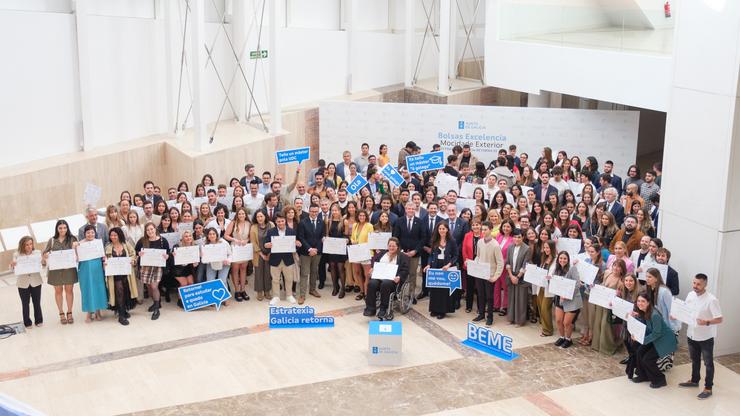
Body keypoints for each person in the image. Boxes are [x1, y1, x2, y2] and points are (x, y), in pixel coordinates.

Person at [675, 273, 723, 399]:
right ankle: (694, 380)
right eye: (694, 283)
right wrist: (676, 315)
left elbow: (719, 319)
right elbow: (685, 311)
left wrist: (706, 322)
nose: (695, 286)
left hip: (705, 337)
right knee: (694, 359)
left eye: (698, 284)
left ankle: (708, 387)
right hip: (691, 334)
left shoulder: (712, 300)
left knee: (708, 363)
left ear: (705, 285)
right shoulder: (690, 295)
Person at [631, 291, 677, 389]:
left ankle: (660, 380)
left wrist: (641, 340)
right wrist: (637, 317)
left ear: (648, 302)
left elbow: (656, 333)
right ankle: (643, 375)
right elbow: (646, 326)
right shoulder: (645, 311)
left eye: (643, 301)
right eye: (638, 301)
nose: (640, 303)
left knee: (648, 359)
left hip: (664, 341)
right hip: (656, 338)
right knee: (639, 351)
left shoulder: (654, 315)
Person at [42, 220, 79, 325]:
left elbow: (78, 252)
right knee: (58, 291)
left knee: (69, 291)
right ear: (57, 229)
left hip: (69, 270)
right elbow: (44, 252)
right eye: (60, 228)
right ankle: (61, 313)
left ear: (67, 228)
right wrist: (46, 255)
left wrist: (76, 248)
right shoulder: (52, 240)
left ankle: (70, 312)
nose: (63, 230)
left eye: (64, 228)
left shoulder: (72, 239)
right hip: (55, 271)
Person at [365, 238, 410, 320]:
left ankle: (383, 308)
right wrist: (372, 269)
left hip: (392, 280)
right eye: (390, 246)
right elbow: (374, 262)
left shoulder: (402, 256)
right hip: (379, 278)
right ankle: (370, 308)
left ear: (397, 247)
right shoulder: (382, 254)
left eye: (393, 246)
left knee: (385, 284)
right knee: (371, 283)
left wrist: (399, 277)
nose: (391, 248)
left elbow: (405, 270)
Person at [135, 223, 170, 320]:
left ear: (155, 229)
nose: (150, 231)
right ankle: (156, 303)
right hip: (145, 267)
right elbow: (136, 251)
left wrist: (167, 256)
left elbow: (168, 253)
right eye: (148, 230)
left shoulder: (163, 240)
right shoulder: (142, 241)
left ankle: (157, 309)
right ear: (145, 232)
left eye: (152, 229)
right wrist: (139, 253)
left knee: (154, 286)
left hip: (157, 267)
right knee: (149, 286)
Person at [472, 222, 504, 326]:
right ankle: (481, 314)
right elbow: (478, 256)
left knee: (489, 297)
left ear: (490, 230)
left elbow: (500, 263)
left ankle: (490, 317)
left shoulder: (495, 245)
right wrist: (474, 265)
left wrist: (495, 277)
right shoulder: (480, 242)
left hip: (490, 275)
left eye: (485, 229)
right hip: (480, 273)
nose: (483, 232)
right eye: (482, 230)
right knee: (480, 295)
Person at [264, 214, 301, 305]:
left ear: (285, 221)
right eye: (278, 221)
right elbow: (265, 244)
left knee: (289, 278)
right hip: (275, 259)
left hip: (288, 259)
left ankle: (289, 295)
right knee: (275, 279)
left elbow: (296, 246)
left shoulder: (292, 231)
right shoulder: (270, 232)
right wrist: (266, 245)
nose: (280, 223)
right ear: (276, 222)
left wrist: (297, 244)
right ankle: (276, 296)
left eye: (282, 221)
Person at [424, 221, 458, 319]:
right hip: (435, 265)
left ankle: (442, 311)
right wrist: (428, 265)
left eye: (443, 228)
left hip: (446, 266)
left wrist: (449, 264)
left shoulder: (452, 241)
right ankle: (434, 309)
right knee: (435, 289)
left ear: (447, 229)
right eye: (440, 229)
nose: (441, 230)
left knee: (444, 290)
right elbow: (431, 255)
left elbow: (456, 255)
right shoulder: (434, 240)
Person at [105, 228, 138, 325]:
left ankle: (123, 310)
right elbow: (105, 259)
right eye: (111, 235)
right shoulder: (108, 247)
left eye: (115, 235)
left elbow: (133, 254)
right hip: (115, 275)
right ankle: (121, 316)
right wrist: (105, 263)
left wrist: (133, 260)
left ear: (119, 235)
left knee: (126, 291)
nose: (113, 237)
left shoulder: (126, 244)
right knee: (119, 291)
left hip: (126, 274)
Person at [392, 202, 424, 305]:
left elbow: (423, 239)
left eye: (412, 209)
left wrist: (415, 251)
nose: (410, 210)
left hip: (414, 254)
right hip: (401, 254)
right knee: (401, 273)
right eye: (408, 209)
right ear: (405, 209)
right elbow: (395, 237)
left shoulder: (420, 222)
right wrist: (400, 251)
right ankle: (399, 293)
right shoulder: (399, 221)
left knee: (413, 274)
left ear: (415, 210)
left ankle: (411, 295)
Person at [77, 224, 109, 323]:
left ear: (95, 233)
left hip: (97, 268)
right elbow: (76, 257)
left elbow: (103, 256)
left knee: (98, 288)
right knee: (87, 289)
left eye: (92, 232)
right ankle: (89, 312)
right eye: (88, 232)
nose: (90, 234)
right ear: (84, 234)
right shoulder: (80, 244)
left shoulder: (98, 243)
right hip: (85, 269)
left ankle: (98, 312)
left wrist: (105, 260)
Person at [11, 236, 43, 328]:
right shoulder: (17, 255)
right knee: (25, 303)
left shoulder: (37, 253)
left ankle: (39, 320)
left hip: (36, 281)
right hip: (22, 282)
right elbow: (13, 269)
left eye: (30, 244)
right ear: (22, 245)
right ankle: (27, 322)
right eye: (26, 245)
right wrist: (12, 265)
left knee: (37, 302)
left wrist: (43, 261)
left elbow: (42, 266)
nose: (29, 246)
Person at [552, 251, 581, 348]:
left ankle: (568, 339)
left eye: (565, 258)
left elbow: (577, 284)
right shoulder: (556, 269)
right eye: (561, 258)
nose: (562, 260)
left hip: (571, 300)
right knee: (559, 320)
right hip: (559, 299)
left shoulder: (572, 269)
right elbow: (554, 282)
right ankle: (562, 337)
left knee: (567, 322)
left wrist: (567, 294)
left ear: (568, 260)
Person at [297, 204, 325, 304]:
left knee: (314, 271)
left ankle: (312, 289)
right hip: (306, 252)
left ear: (318, 212)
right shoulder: (303, 223)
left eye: (316, 212)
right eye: (312, 211)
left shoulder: (321, 222)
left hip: (317, 252)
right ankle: (302, 295)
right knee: (304, 273)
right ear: (309, 211)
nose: (314, 213)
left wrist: (316, 249)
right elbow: (301, 238)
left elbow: (321, 237)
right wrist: (309, 249)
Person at [225, 207, 251, 302]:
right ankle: (237, 291)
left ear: (245, 215)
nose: (241, 215)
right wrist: (234, 239)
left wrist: (246, 240)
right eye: (239, 214)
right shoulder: (233, 223)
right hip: (235, 248)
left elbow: (250, 236)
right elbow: (226, 235)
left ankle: (243, 290)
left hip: (244, 248)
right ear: (237, 214)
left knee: (243, 269)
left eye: (243, 214)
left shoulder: (249, 223)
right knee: (235, 270)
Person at [505, 229, 530, 326]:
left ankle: (520, 321)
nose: (517, 239)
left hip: (521, 277)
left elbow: (525, 265)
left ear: (523, 237)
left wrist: (517, 277)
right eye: (515, 237)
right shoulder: (510, 247)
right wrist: (511, 276)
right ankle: (511, 318)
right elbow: (507, 263)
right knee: (511, 298)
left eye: (519, 237)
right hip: (511, 275)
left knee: (520, 299)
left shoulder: (527, 249)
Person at [203, 227, 233, 306]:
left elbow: (230, 253)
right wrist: (203, 256)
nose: (212, 235)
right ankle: (212, 298)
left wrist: (228, 260)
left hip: (224, 263)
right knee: (210, 280)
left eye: (213, 234)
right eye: (210, 234)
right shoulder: (206, 244)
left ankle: (226, 297)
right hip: (211, 263)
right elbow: (204, 258)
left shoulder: (223, 242)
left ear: (216, 234)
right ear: (207, 236)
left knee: (222, 280)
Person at [350, 210, 374, 300]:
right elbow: (352, 237)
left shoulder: (369, 226)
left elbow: (371, 239)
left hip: (365, 252)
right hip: (356, 251)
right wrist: (352, 241)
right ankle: (361, 292)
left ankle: (367, 293)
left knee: (367, 274)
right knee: (357, 272)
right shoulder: (355, 225)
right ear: (358, 216)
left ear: (366, 216)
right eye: (360, 215)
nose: (362, 217)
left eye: (364, 215)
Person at [325, 203, 348, 297]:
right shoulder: (328, 221)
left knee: (340, 268)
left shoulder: (344, 221)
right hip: (331, 247)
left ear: (339, 211)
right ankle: (335, 287)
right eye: (333, 210)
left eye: (336, 210)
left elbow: (346, 235)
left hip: (340, 247)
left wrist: (346, 239)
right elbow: (327, 234)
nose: (334, 212)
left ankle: (343, 288)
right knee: (332, 266)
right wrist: (325, 238)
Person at [250, 210, 274, 301]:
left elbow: (274, 238)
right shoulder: (253, 227)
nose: (260, 218)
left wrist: (269, 253)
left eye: (261, 216)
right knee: (259, 273)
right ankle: (259, 292)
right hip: (258, 253)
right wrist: (262, 254)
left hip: (270, 253)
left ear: (265, 216)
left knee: (268, 273)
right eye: (258, 217)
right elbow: (253, 242)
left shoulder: (271, 225)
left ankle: (267, 291)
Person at [536, 240, 557, 336]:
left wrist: (551, 277)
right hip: (541, 286)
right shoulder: (544, 258)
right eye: (544, 247)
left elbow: (557, 274)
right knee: (541, 307)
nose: (546, 249)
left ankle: (548, 330)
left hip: (549, 287)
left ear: (552, 248)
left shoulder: (556, 260)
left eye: (548, 247)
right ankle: (544, 327)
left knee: (545, 308)